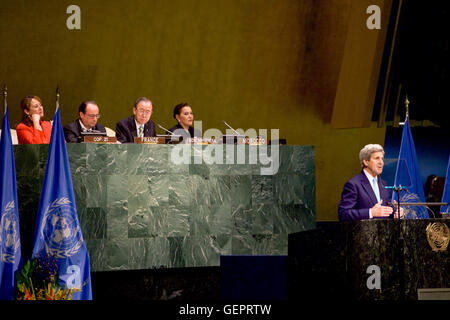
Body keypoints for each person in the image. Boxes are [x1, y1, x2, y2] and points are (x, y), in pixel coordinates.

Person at [338, 144, 403, 221]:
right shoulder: (353, 185)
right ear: (366, 162)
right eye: (377, 158)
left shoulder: (383, 184)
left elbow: (384, 212)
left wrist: (397, 213)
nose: (381, 162)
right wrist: (370, 212)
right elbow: (343, 214)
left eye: (382, 159)